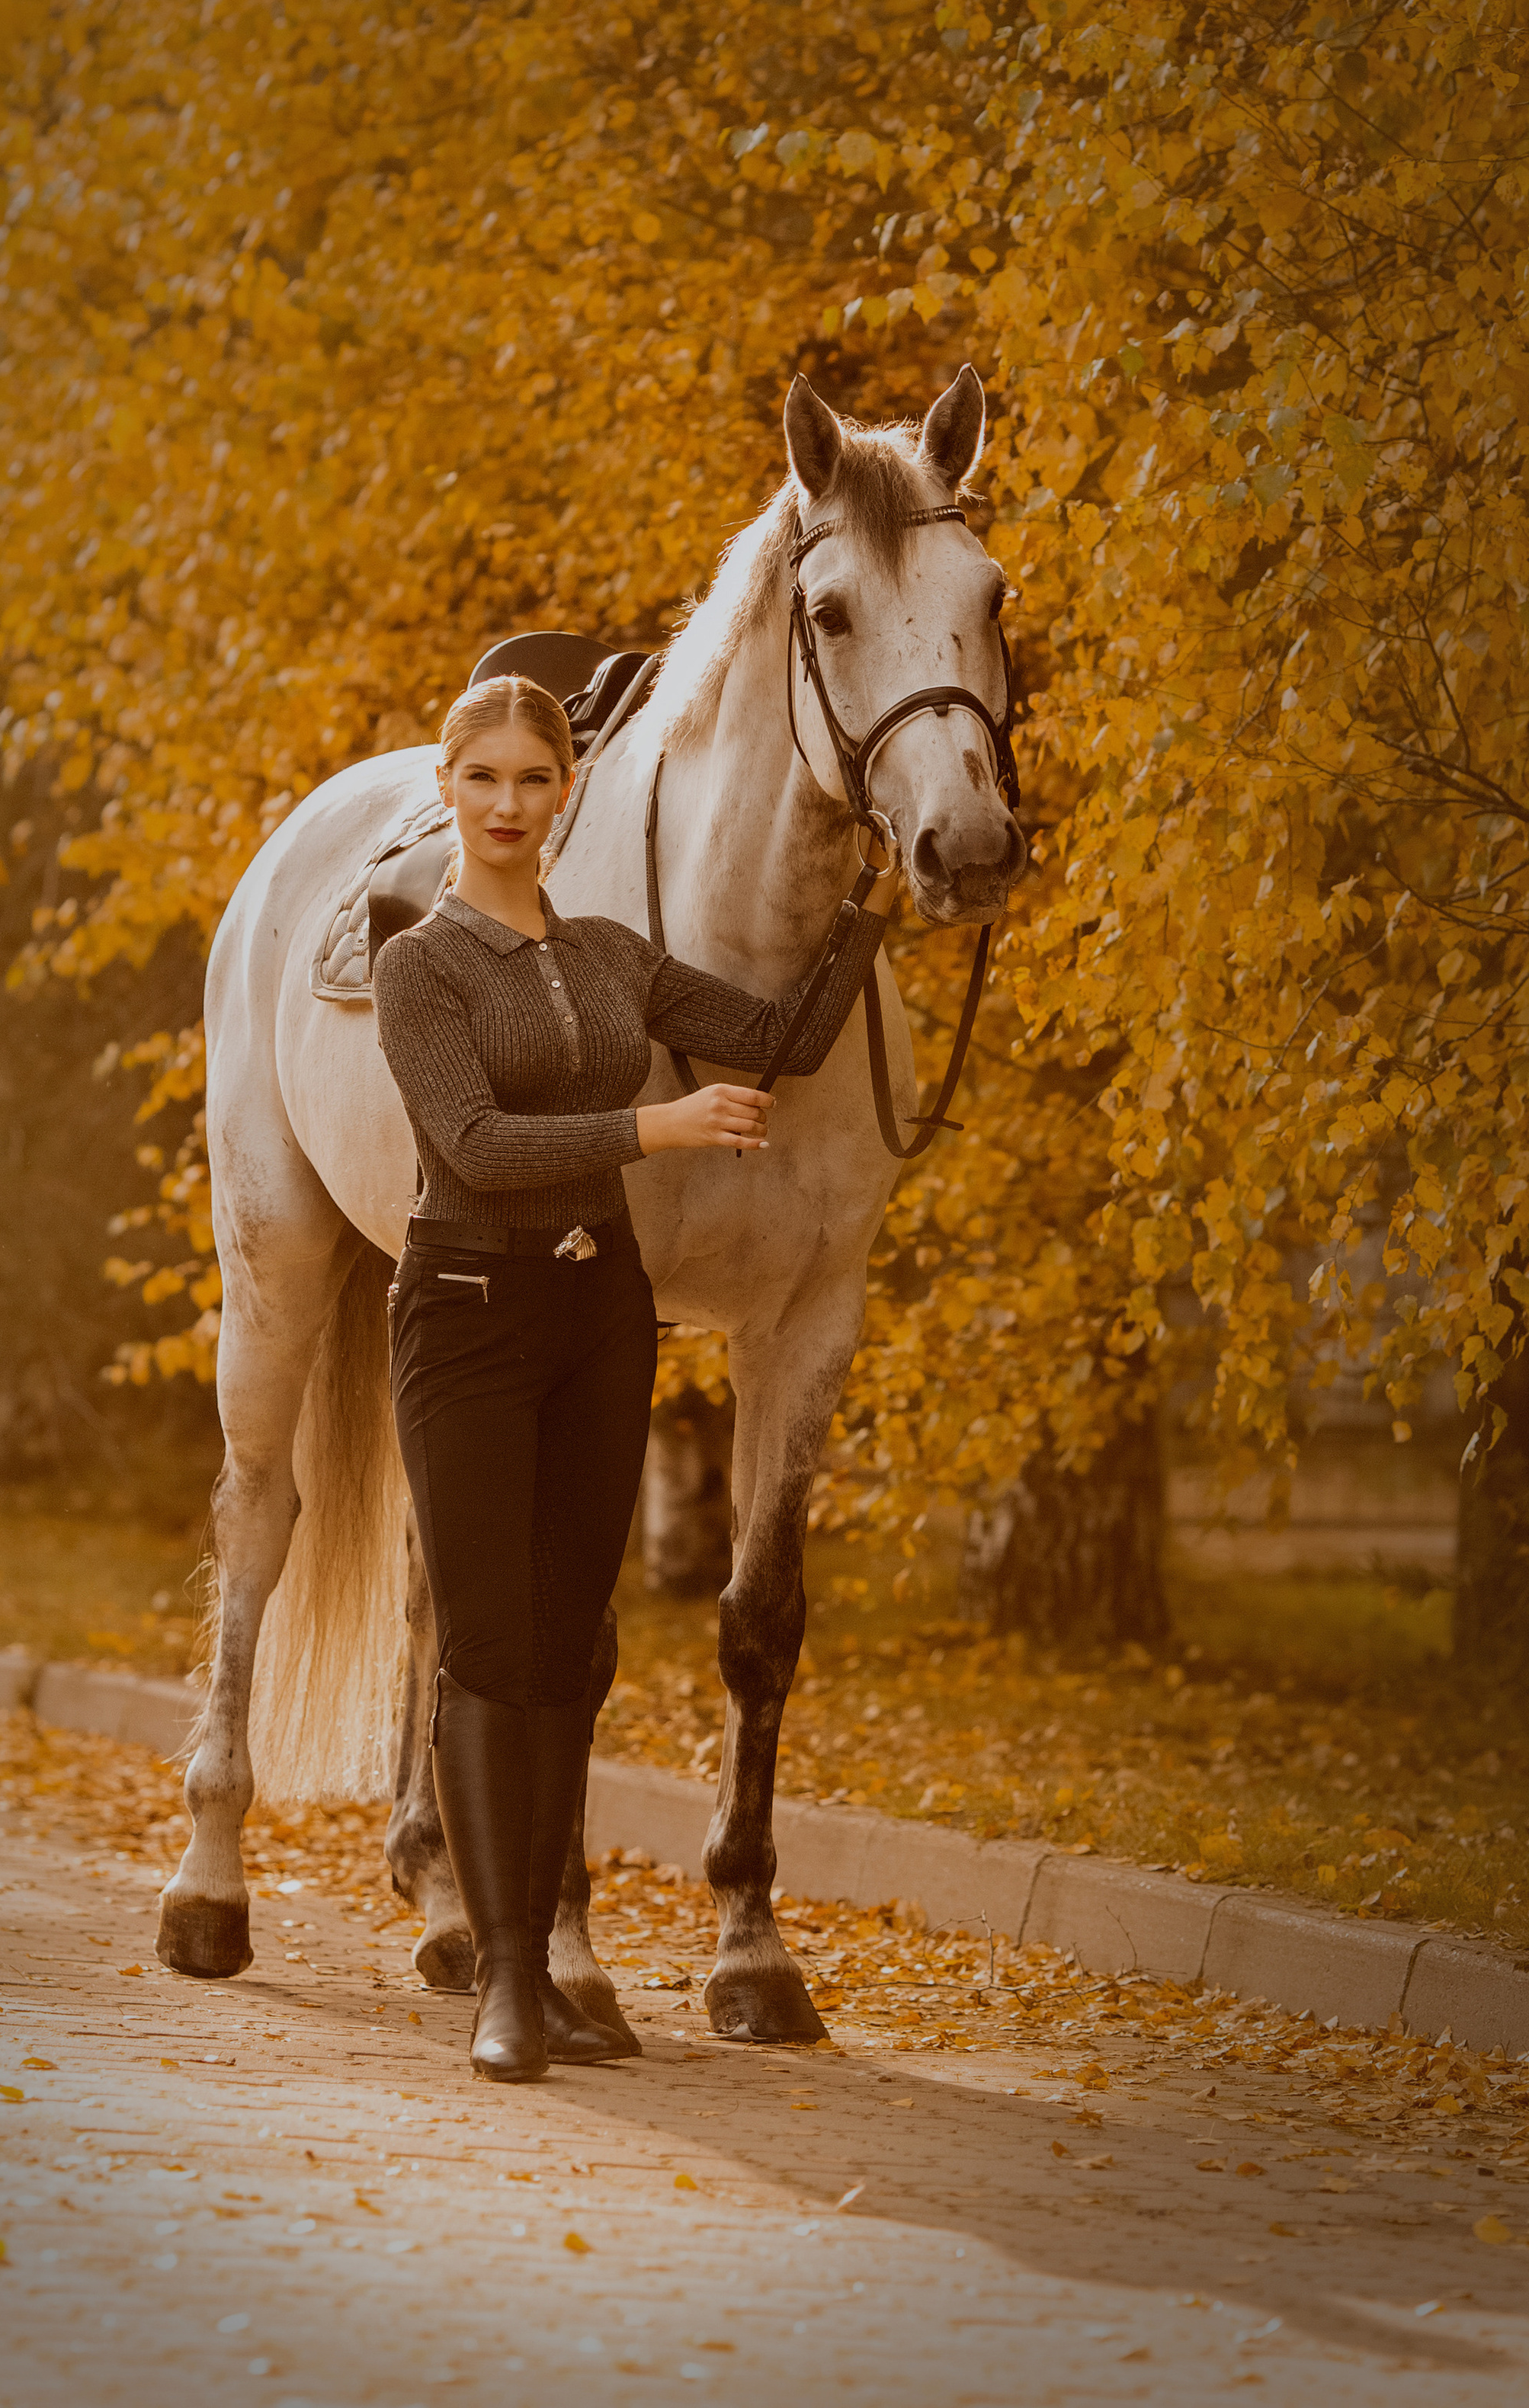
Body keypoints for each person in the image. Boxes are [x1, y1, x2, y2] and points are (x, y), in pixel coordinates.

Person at [372, 674, 899, 2082]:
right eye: (480, 779)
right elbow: (474, 1145)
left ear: (564, 796)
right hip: (470, 1313)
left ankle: (548, 1952)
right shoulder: (421, 963)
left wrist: (867, 892)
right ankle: (507, 1986)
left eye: (531, 781)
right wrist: (656, 1128)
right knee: (488, 1652)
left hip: (596, 1320)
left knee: (570, 1650)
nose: (505, 805)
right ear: (449, 791)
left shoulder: (612, 953)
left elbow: (781, 1043)